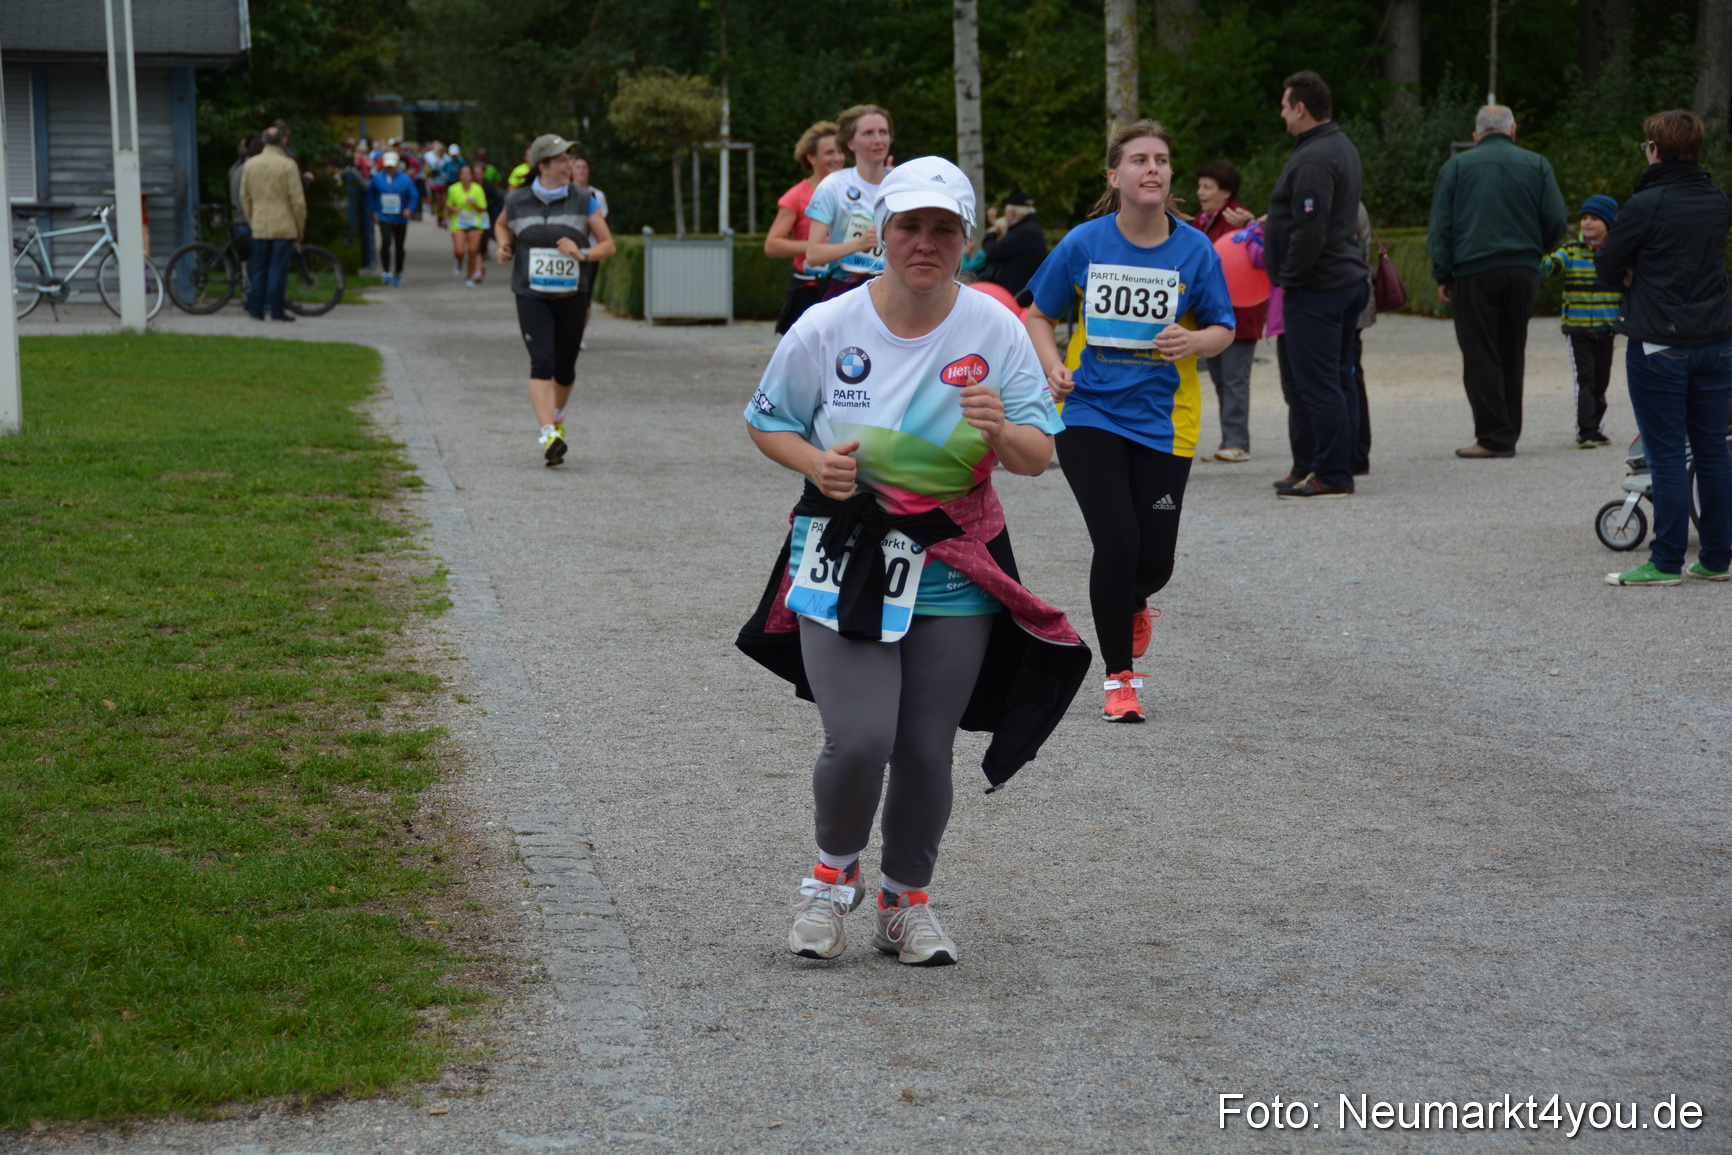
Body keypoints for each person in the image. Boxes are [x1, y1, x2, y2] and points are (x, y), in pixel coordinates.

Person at [738, 156, 1084, 966]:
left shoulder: (995, 328)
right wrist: (810, 463)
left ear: (965, 239)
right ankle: (828, 884)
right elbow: (765, 420)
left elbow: (1039, 456)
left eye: (942, 230)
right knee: (859, 738)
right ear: (882, 234)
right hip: (846, 551)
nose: (924, 243)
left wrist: (1000, 430)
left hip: (953, 558)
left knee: (926, 746)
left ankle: (906, 902)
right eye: (908, 228)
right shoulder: (826, 325)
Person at [1024, 120, 1236, 722]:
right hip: (1088, 410)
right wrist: (1051, 369)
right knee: (1116, 542)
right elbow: (1038, 315)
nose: (1153, 168)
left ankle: (1136, 599)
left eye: (1162, 160)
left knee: (1154, 562)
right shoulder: (1084, 244)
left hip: (1165, 421)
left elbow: (1224, 327)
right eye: (1139, 159)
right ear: (1115, 176)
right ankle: (1120, 680)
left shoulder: (1195, 248)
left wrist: (1194, 342)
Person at [1596, 110, 1732, 586]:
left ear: (1654, 150)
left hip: (1660, 343)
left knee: (1667, 452)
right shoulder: (1717, 198)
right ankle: (1717, 556)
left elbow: (1607, 266)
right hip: (1716, 339)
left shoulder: (1645, 202)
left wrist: (1635, 270)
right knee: (1713, 449)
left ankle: (1667, 560)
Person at [1428, 105, 1568, 459]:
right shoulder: (1537, 164)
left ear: (1476, 136)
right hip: (1522, 270)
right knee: (1511, 349)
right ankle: (1509, 431)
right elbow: (1556, 220)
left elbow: (1441, 227)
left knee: (1480, 353)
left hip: (1475, 271)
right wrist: (1534, 252)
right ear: (1513, 130)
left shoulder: (1456, 167)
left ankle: (1492, 436)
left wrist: (1443, 273)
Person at [1264, 70, 1369, 498]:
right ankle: (1328, 464)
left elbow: (1310, 227)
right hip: (1345, 282)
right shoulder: (1340, 145)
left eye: (1286, 105)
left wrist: (1291, 278)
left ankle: (1331, 474)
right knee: (1339, 378)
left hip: (1319, 288)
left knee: (1317, 383)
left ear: (1301, 108)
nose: (1283, 114)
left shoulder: (1312, 157)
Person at [494, 134, 615, 467]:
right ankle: (548, 433)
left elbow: (608, 245)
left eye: (570, 158)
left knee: (564, 368)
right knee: (541, 363)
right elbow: (501, 225)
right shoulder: (517, 200)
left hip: (572, 294)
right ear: (543, 165)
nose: (570, 165)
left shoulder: (584, 198)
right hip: (531, 294)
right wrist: (503, 246)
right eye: (562, 159)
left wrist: (583, 252)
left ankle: (557, 417)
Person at [1192, 161, 1263, 462]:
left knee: (1234, 378)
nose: (1200, 192)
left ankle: (1236, 441)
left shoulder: (1239, 220)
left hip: (1240, 315)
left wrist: (1251, 227)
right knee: (1220, 378)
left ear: (1226, 191)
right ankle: (1230, 437)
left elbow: (1258, 257)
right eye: (1200, 186)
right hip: (1211, 316)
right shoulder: (1201, 221)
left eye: (1208, 186)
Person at [1541, 194, 1623, 448]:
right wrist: (1534, 255)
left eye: (1594, 218)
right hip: (1577, 329)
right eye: (1584, 218)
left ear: (1609, 223)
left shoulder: (1617, 253)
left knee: (1601, 380)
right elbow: (1551, 266)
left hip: (1606, 328)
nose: (1587, 223)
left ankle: (1596, 426)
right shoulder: (1571, 250)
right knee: (1585, 378)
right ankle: (1585, 430)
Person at [804, 104, 894, 301]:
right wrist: (858, 245)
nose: (878, 140)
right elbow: (813, 254)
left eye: (883, 132)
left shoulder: (902, 183)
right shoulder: (833, 186)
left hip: (894, 292)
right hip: (845, 291)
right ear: (850, 143)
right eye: (868, 133)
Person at [766, 121, 845, 334]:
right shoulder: (797, 196)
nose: (837, 158)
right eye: (829, 152)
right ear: (811, 158)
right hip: (809, 289)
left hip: (845, 285)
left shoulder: (853, 190)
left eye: (840, 151)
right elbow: (772, 245)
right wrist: (814, 246)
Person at [240, 125, 306, 323]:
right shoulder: (287, 165)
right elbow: (297, 201)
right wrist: (299, 226)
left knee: (260, 268)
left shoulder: (251, 164)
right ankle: (276, 310)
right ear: (282, 141)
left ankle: (256, 309)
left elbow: (244, 196)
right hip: (283, 224)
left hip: (260, 222)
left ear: (263, 141)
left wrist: (252, 218)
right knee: (278, 269)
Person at [975, 190, 1047, 299]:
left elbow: (992, 252)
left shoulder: (1025, 231)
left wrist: (991, 235)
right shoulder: (1028, 228)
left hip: (1014, 291)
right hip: (1011, 286)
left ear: (1012, 213)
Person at [368, 152, 419, 287]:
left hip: (400, 217)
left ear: (397, 165)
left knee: (399, 246)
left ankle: (398, 271)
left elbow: (414, 196)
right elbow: (371, 194)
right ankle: (386, 271)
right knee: (385, 242)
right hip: (384, 216)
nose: (390, 169)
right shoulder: (377, 178)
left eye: (392, 166)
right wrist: (374, 211)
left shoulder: (406, 179)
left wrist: (409, 209)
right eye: (388, 166)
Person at [446, 163, 488, 285]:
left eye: (468, 173)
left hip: (474, 223)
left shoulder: (477, 189)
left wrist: (473, 204)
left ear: (472, 176)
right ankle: (458, 261)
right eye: (463, 173)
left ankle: (469, 276)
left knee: (473, 251)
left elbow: (483, 207)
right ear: (459, 175)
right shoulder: (453, 189)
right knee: (459, 251)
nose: (465, 176)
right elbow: (449, 205)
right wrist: (454, 210)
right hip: (459, 223)